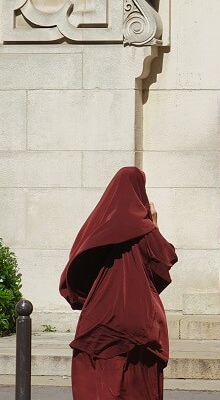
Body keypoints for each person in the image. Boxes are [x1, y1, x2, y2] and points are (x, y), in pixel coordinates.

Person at [59, 167, 178, 399]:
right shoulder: (145, 230)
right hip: (138, 319)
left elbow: (75, 272)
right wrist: (154, 225)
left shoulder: (96, 227)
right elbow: (164, 263)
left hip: (98, 318)